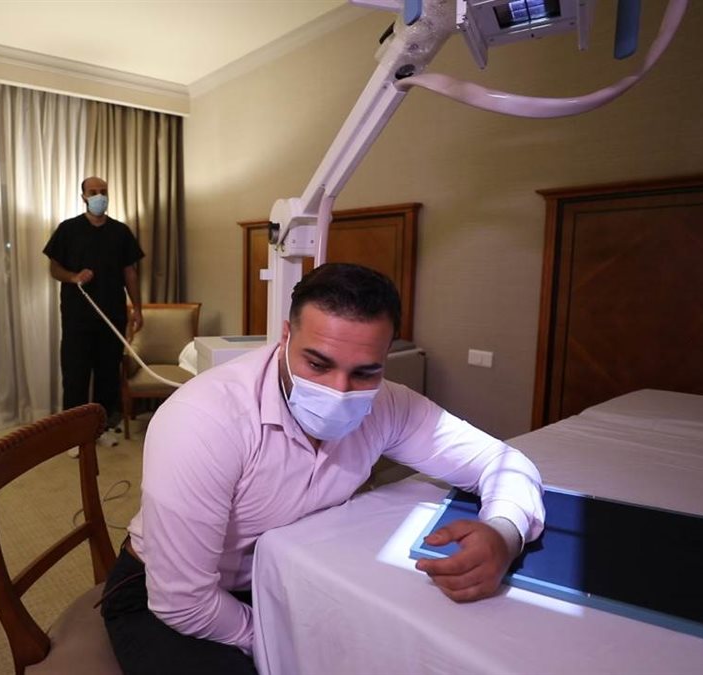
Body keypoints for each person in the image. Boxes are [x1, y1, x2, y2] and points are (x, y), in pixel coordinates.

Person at [100, 262, 545, 674]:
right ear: (285, 337)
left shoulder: (388, 405)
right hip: (166, 596)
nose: (339, 391)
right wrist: (278, 642)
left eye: (365, 372)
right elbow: (182, 601)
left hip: (287, 574)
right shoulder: (204, 420)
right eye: (318, 364)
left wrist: (505, 533)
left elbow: (502, 462)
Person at [43, 176, 144, 447]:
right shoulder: (68, 229)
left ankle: (102, 428)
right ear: (83, 197)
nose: (99, 196)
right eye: (93, 192)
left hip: (112, 316)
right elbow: (54, 268)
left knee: (107, 375)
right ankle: (72, 435)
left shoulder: (120, 232)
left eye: (103, 191)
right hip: (78, 317)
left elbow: (130, 272)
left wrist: (137, 309)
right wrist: (73, 277)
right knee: (75, 375)